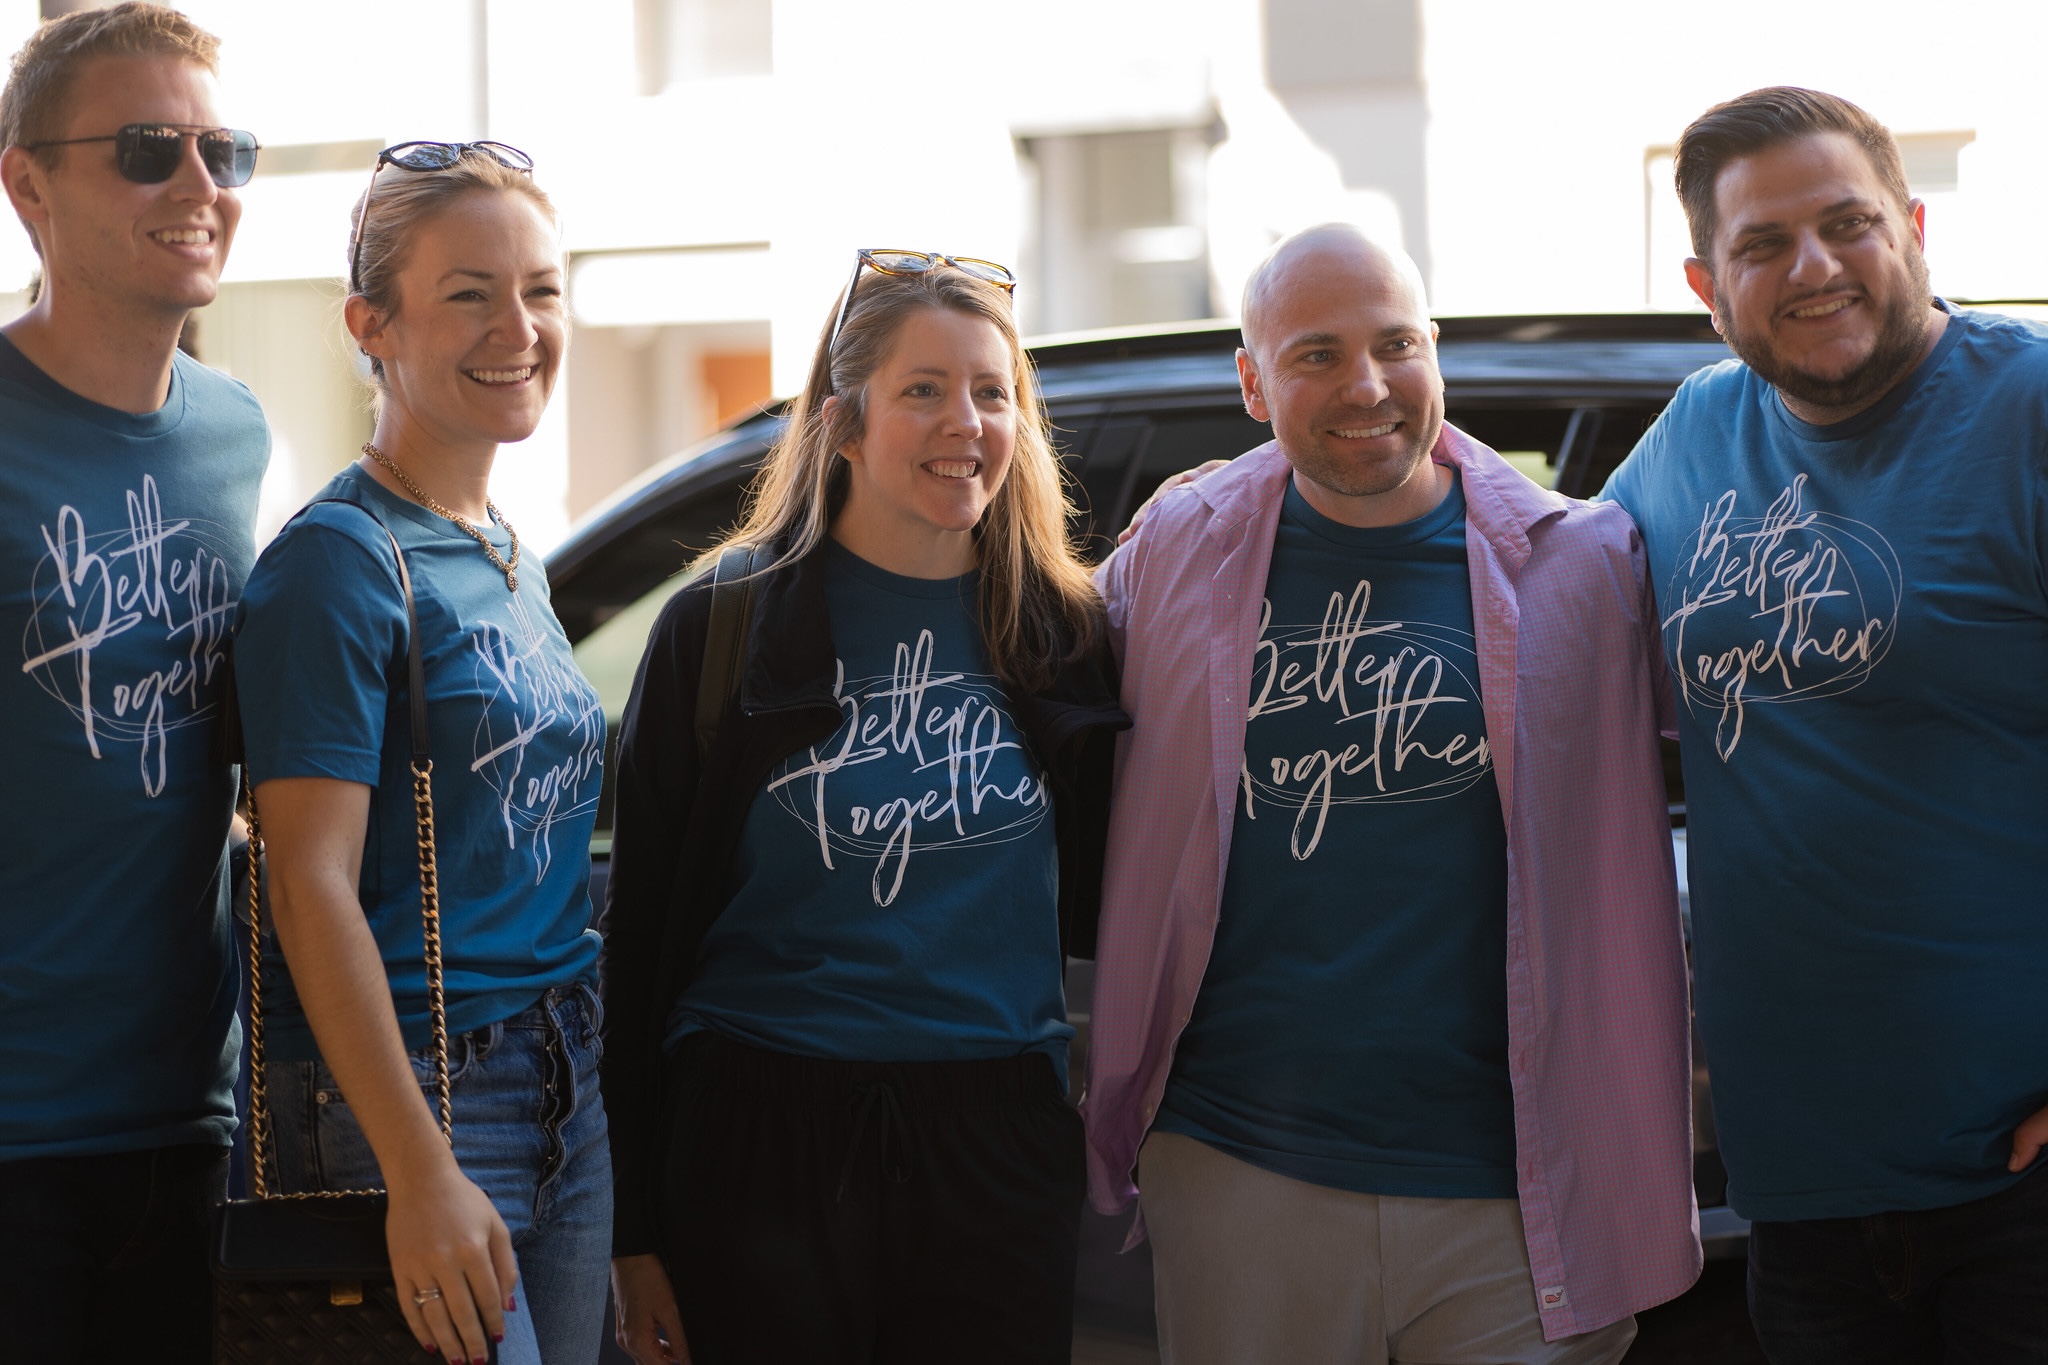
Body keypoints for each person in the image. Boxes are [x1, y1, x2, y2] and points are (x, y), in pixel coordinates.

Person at [1087, 224, 1698, 1365]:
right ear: (1250, 380)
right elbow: (1011, 663)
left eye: (1396, 344)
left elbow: (1802, 720)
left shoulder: (1586, 565)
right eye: (1315, 354)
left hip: (1517, 1195)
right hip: (1238, 1172)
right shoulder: (1175, 545)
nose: (1365, 386)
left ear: (1435, 352)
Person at [602, 251, 1127, 1365]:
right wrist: (634, 1233)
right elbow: (639, 948)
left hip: (995, 1144)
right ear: (841, 422)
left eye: (993, 393)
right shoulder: (720, 631)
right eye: (923, 390)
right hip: (761, 1141)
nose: (966, 423)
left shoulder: (1063, 639)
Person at [1599, 87, 2048, 1363]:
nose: (1812, 268)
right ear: (1705, 282)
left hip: (2023, 1183)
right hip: (1800, 1189)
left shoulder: (2025, 413)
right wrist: (1252, 493)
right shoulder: (1693, 438)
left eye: (1845, 223)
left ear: (1910, 226)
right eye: (1761, 246)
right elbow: (1529, 604)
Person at [232, 143, 609, 1365]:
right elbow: (306, 884)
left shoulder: (503, 547)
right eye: (469, 293)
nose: (519, 326)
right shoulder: (339, 562)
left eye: (541, 290)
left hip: (565, 1077)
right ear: (370, 324)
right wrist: (416, 1165)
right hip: (429, 1095)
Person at [0, 7, 269, 1359]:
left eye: (226, 150)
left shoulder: (235, 431)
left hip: (186, 1120)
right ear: (27, 183)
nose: (201, 186)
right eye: (151, 149)